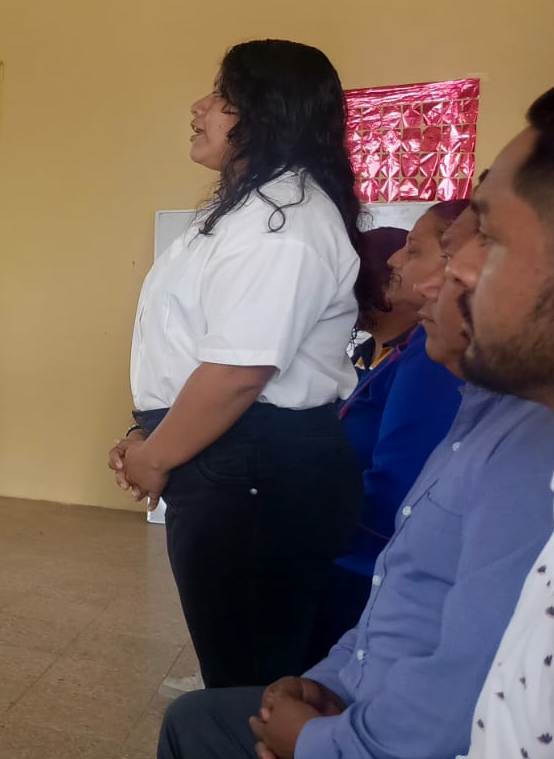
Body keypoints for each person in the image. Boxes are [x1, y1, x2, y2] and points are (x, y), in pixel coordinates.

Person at [115, 90, 554, 759]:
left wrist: (315, 740)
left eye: (481, 237)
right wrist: (325, 683)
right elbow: (405, 592)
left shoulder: (291, 226)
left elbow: (455, 745)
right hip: (369, 711)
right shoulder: (484, 405)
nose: (429, 274)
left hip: (387, 752)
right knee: (202, 715)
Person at [114, 40, 376, 692]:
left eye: (224, 98)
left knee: (254, 681)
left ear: (270, 114)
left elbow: (238, 373)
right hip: (228, 453)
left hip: (254, 462)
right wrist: (145, 431)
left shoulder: (282, 223)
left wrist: (155, 455)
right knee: (241, 666)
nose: (199, 108)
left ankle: (237, 753)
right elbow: (187, 345)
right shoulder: (248, 210)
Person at [311, 199, 471, 652]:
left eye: (413, 250)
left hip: (365, 564)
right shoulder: (404, 349)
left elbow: (399, 483)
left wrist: (302, 527)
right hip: (356, 555)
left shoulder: (433, 356)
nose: (397, 261)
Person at [348, 226, 411, 373]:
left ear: (391, 283)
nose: (346, 295)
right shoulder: (362, 354)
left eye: (357, 284)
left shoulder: (414, 360)